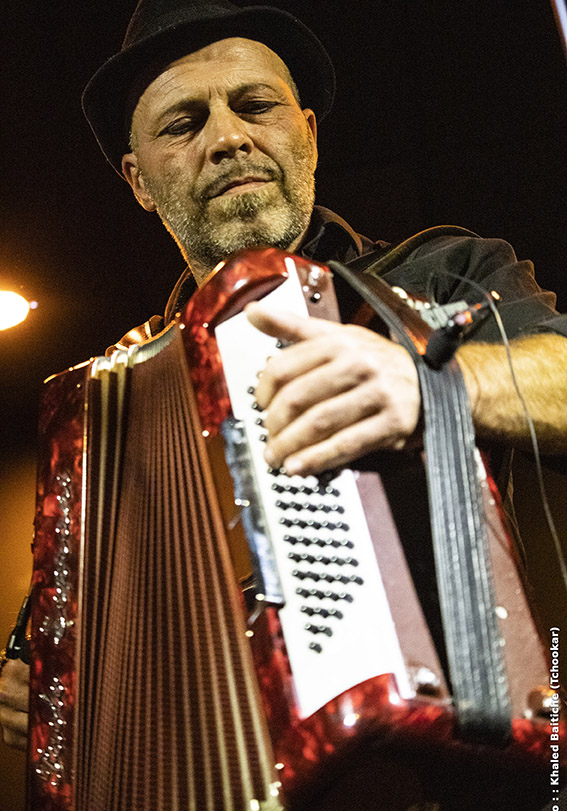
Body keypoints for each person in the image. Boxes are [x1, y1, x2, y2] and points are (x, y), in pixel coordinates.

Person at [1, 0, 566, 772]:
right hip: (207, 791)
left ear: (308, 134)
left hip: (455, 776)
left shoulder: (440, 271)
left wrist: (432, 382)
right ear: (139, 180)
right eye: (183, 123)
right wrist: (37, 682)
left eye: (255, 105)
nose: (227, 137)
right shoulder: (110, 404)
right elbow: (70, 635)